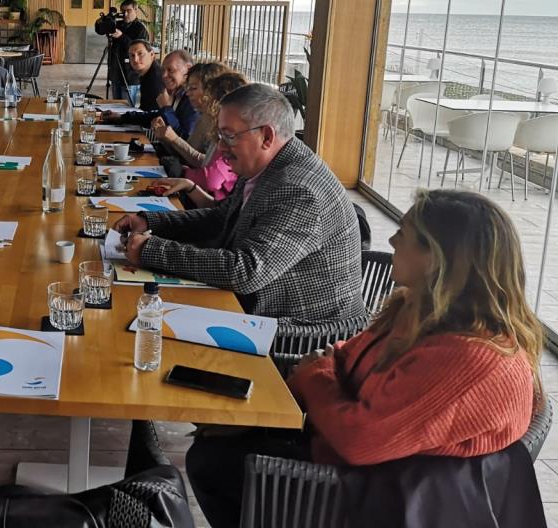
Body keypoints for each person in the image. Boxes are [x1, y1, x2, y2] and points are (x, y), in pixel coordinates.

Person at [184, 189, 543, 526]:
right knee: (217, 442)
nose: (391, 241)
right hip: (360, 458)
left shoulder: (471, 359)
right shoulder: (417, 309)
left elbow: (359, 440)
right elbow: (345, 356)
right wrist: (269, 413)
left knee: (214, 462)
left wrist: (314, 378)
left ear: (435, 259)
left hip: (381, 495)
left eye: (403, 233)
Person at [115, 83, 364, 324]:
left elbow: (245, 271)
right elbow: (222, 217)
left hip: (297, 337)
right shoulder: (262, 164)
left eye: (229, 136)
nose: (221, 147)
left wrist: (153, 250)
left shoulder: (298, 190)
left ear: (266, 136)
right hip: (251, 306)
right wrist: (150, 221)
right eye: (220, 136)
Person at [153, 70, 246, 206]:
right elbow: (205, 161)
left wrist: (183, 172)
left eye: (194, 88)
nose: (188, 93)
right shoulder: (210, 122)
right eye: (188, 88)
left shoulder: (228, 133)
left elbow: (211, 178)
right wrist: (166, 138)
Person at [107, 49, 198, 138]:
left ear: (188, 69)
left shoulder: (192, 99)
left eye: (170, 70)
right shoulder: (178, 93)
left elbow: (185, 139)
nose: (164, 75)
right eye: (163, 70)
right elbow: (153, 116)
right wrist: (122, 117)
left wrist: (166, 108)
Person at [108, 0, 150, 102]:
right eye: (123, 11)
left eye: (128, 10)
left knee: (127, 107)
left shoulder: (140, 29)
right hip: (116, 73)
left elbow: (138, 50)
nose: (125, 14)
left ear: (136, 10)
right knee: (115, 106)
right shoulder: (118, 25)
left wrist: (121, 36)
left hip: (130, 76)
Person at [124, 39, 163, 111]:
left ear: (152, 54)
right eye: (132, 55)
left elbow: (151, 114)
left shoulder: (155, 78)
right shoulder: (146, 73)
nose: (135, 59)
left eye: (140, 54)